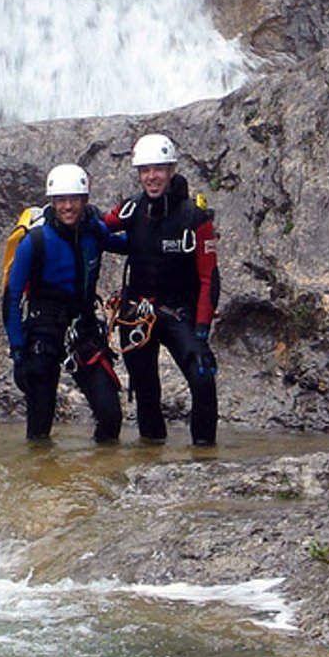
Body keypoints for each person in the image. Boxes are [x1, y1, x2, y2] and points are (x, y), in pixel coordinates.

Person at [101, 133, 220, 446]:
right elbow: (96, 229)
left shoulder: (195, 217)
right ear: (139, 174)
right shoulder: (130, 210)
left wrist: (202, 330)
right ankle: (151, 454)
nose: (151, 177)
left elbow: (210, 277)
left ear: (172, 170)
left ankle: (205, 456)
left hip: (179, 313)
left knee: (203, 378)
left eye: (158, 169)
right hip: (137, 313)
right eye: (145, 171)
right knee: (145, 388)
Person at [3, 163, 126, 443]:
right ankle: (41, 482)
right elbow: (10, 299)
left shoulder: (94, 231)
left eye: (74, 199)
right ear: (52, 202)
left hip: (82, 330)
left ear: (85, 200)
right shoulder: (34, 242)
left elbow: (127, 244)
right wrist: (18, 354)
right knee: (39, 427)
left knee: (110, 416)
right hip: (43, 333)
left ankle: (100, 478)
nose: (67, 206)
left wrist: (157, 228)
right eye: (61, 200)